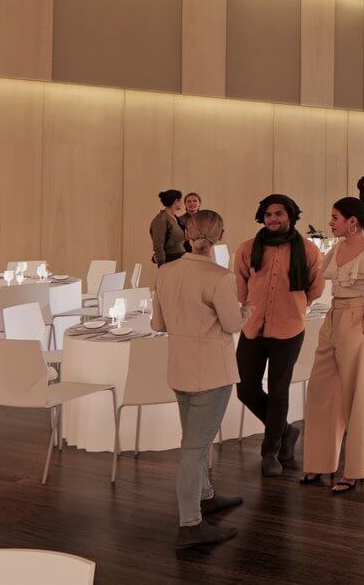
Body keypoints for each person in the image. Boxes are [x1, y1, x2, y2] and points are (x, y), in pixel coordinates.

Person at [152, 209, 244, 549]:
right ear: (219, 236)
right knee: (193, 449)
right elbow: (233, 324)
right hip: (212, 371)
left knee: (194, 441)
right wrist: (247, 311)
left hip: (179, 368)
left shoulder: (165, 271)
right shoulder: (220, 276)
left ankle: (205, 495)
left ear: (187, 234)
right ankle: (190, 524)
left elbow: (157, 324)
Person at [301, 197, 364, 493]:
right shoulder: (338, 248)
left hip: (357, 319)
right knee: (320, 389)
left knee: (355, 395)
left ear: (352, 222)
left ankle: (354, 470)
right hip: (333, 318)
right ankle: (319, 462)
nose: (330, 222)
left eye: (335, 218)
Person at [234, 194, 324, 477]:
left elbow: (315, 288)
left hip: (289, 328)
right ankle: (286, 431)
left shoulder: (308, 250)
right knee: (245, 388)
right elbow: (240, 285)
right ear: (262, 217)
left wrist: (294, 305)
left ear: (291, 216)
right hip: (253, 327)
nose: (274, 219)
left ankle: (270, 451)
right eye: (269, 214)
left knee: (278, 390)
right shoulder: (247, 249)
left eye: (279, 214)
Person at [151, 189, 187, 267]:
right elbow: (158, 245)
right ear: (176, 201)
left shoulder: (175, 218)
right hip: (170, 261)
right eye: (181, 200)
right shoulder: (161, 219)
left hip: (180, 259)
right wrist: (162, 266)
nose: (182, 203)